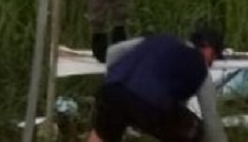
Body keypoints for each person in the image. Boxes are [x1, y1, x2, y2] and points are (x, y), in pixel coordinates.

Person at [87, 29, 228, 142]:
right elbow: (211, 119)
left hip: (112, 91)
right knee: (195, 132)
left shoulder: (158, 39)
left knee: (103, 134)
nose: (212, 63)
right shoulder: (200, 66)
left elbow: (113, 51)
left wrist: (114, 77)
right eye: (214, 57)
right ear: (209, 48)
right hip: (150, 105)